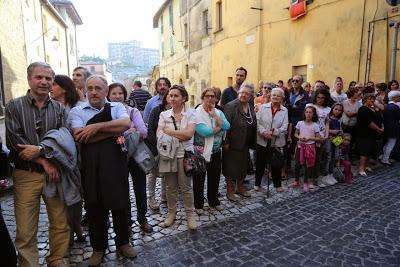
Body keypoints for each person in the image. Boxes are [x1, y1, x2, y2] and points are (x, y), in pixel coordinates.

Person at [5, 62, 70, 266]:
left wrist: (42, 152)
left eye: (48, 78)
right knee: (25, 228)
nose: (44, 82)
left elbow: (64, 139)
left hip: (55, 174)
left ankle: (57, 259)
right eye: (39, 77)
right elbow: (15, 141)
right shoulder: (14, 106)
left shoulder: (60, 109)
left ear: (52, 82)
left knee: (60, 222)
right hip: (26, 175)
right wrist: (44, 161)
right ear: (29, 79)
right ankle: (28, 264)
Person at [68, 75, 136, 265]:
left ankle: (123, 242)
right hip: (91, 168)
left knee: (120, 205)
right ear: (85, 90)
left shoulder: (117, 107)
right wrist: (111, 132)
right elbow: (81, 137)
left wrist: (96, 127)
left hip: (115, 166)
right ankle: (98, 248)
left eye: (98, 88)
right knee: (95, 207)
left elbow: (125, 125)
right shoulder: (77, 111)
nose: (94, 92)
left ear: (106, 91)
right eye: (90, 88)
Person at [107, 83, 153, 233]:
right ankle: (126, 221)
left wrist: (121, 133)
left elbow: (143, 132)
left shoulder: (132, 111)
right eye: (114, 93)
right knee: (122, 190)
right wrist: (129, 131)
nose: (117, 96)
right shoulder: (106, 112)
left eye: (120, 93)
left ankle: (142, 219)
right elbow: (107, 135)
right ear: (108, 95)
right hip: (116, 157)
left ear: (125, 95)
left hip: (135, 156)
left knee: (140, 188)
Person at [50, 75, 85, 246]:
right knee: (62, 196)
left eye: (54, 84)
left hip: (77, 157)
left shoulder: (76, 108)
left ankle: (76, 225)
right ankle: (69, 231)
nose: (50, 86)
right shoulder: (50, 107)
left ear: (63, 88)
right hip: (57, 157)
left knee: (76, 196)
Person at [157, 85, 197, 230]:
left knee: (186, 187)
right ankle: (171, 213)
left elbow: (189, 134)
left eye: (176, 96)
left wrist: (169, 131)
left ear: (184, 98)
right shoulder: (164, 115)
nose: (172, 98)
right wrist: (178, 133)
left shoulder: (191, 114)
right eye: (170, 96)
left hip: (184, 155)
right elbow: (159, 135)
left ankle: (190, 215)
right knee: (170, 187)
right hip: (168, 155)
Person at [193, 87, 230, 214]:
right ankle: (198, 204)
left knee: (214, 178)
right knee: (199, 179)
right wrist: (219, 127)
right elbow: (205, 132)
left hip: (215, 151)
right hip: (200, 152)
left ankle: (213, 201)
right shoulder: (196, 113)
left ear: (216, 98)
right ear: (203, 98)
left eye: (212, 96)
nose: (210, 98)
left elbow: (227, 126)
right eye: (207, 96)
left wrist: (215, 116)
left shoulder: (218, 112)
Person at [222, 82, 257, 201]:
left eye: (247, 93)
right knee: (231, 168)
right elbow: (225, 126)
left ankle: (240, 187)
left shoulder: (250, 105)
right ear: (238, 93)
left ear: (251, 95)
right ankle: (230, 191)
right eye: (242, 92)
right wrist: (225, 142)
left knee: (242, 167)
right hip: (232, 143)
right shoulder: (231, 106)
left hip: (246, 142)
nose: (243, 95)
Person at [255, 88, 288, 193]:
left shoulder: (284, 110)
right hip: (262, 139)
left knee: (276, 164)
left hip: (276, 141)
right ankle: (257, 184)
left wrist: (274, 132)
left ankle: (277, 185)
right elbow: (257, 122)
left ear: (282, 98)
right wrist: (263, 132)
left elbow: (285, 126)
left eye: (278, 96)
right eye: (274, 95)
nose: (275, 97)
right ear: (270, 96)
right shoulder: (263, 107)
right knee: (260, 163)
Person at [146, 90, 169, 210]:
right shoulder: (156, 110)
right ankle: (151, 197)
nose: (172, 99)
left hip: (169, 149)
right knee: (153, 174)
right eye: (170, 96)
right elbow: (150, 129)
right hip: (155, 147)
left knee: (166, 173)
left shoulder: (178, 112)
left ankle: (165, 196)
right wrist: (157, 146)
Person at [290, 106, 320, 192]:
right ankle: (296, 181)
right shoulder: (300, 123)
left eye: (310, 112)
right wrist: (300, 137)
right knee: (297, 164)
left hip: (310, 148)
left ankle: (306, 182)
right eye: (307, 112)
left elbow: (318, 138)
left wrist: (310, 138)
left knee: (308, 165)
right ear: (304, 113)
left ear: (313, 114)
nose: (308, 114)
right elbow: (295, 133)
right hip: (300, 147)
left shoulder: (315, 125)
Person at [306, 88, 331, 187]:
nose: (320, 99)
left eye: (322, 98)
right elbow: (306, 121)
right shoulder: (310, 106)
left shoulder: (327, 109)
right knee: (310, 159)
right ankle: (308, 180)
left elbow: (327, 123)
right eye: (318, 97)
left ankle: (316, 178)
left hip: (322, 137)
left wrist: (326, 135)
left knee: (318, 159)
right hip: (311, 136)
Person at [356, 93, 384, 177]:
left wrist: (382, 126)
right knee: (364, 152)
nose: (372, 100)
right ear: (365, 100)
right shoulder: (363, 109)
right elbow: (369, 122)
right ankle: (361, 169)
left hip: (372, 134)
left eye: (373, 99)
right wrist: (378, 129)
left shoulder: (372, 109)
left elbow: (379, 119)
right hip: (364, 134)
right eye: (370, 99)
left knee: (369, 151)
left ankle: (366, 166)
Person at [325, 103, 344, 183]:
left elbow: (340, 129)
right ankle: (325, 175)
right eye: (336, 109)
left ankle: (330, 174)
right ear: (332, 109)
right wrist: (332, 131)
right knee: (328, 157)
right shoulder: (328, 119)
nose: (337, 111)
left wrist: (340, 132)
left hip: (336, 140)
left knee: (334, 157)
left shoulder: (339, 120)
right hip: (329, 140)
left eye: (339, 110)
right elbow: (324, 130)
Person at [381, 90, 400, 165]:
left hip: (387, 127)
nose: (399, 98)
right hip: (394, 128)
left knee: (387, 143)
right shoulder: (395, 107)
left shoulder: (387, 106)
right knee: (391, 144)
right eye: (398, 96)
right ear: (394, 97)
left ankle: (384, 157)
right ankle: (385, 159)